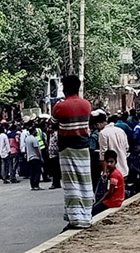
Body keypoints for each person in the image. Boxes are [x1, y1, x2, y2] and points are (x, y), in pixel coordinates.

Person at [52, 75, 93, 230]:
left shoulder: (59, 107)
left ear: (65, 88)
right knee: (85, 182)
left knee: (71, 185)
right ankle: (86, 216)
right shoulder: (87, 105)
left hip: (67, 150)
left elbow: (53, 125)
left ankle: (75, 218)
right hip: (83, 148)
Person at [92, 149, 125, 216]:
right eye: (107, 162)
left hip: (114, 201)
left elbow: (110, 192)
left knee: (94, 210)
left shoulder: (114, 175)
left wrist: (101, 200)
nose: (109, 164)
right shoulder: (113, 172)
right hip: (117, 199)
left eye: (111, 162)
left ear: (115, 162)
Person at [48, 121, 61, 189]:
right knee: (54, 170)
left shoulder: (56, 134)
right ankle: (56, 183)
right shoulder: (51, 135)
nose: (49, 129)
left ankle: (55, 183)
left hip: (56, 155)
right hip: (51, 155)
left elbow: (58, 143)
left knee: (55, 170)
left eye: (50, 128)